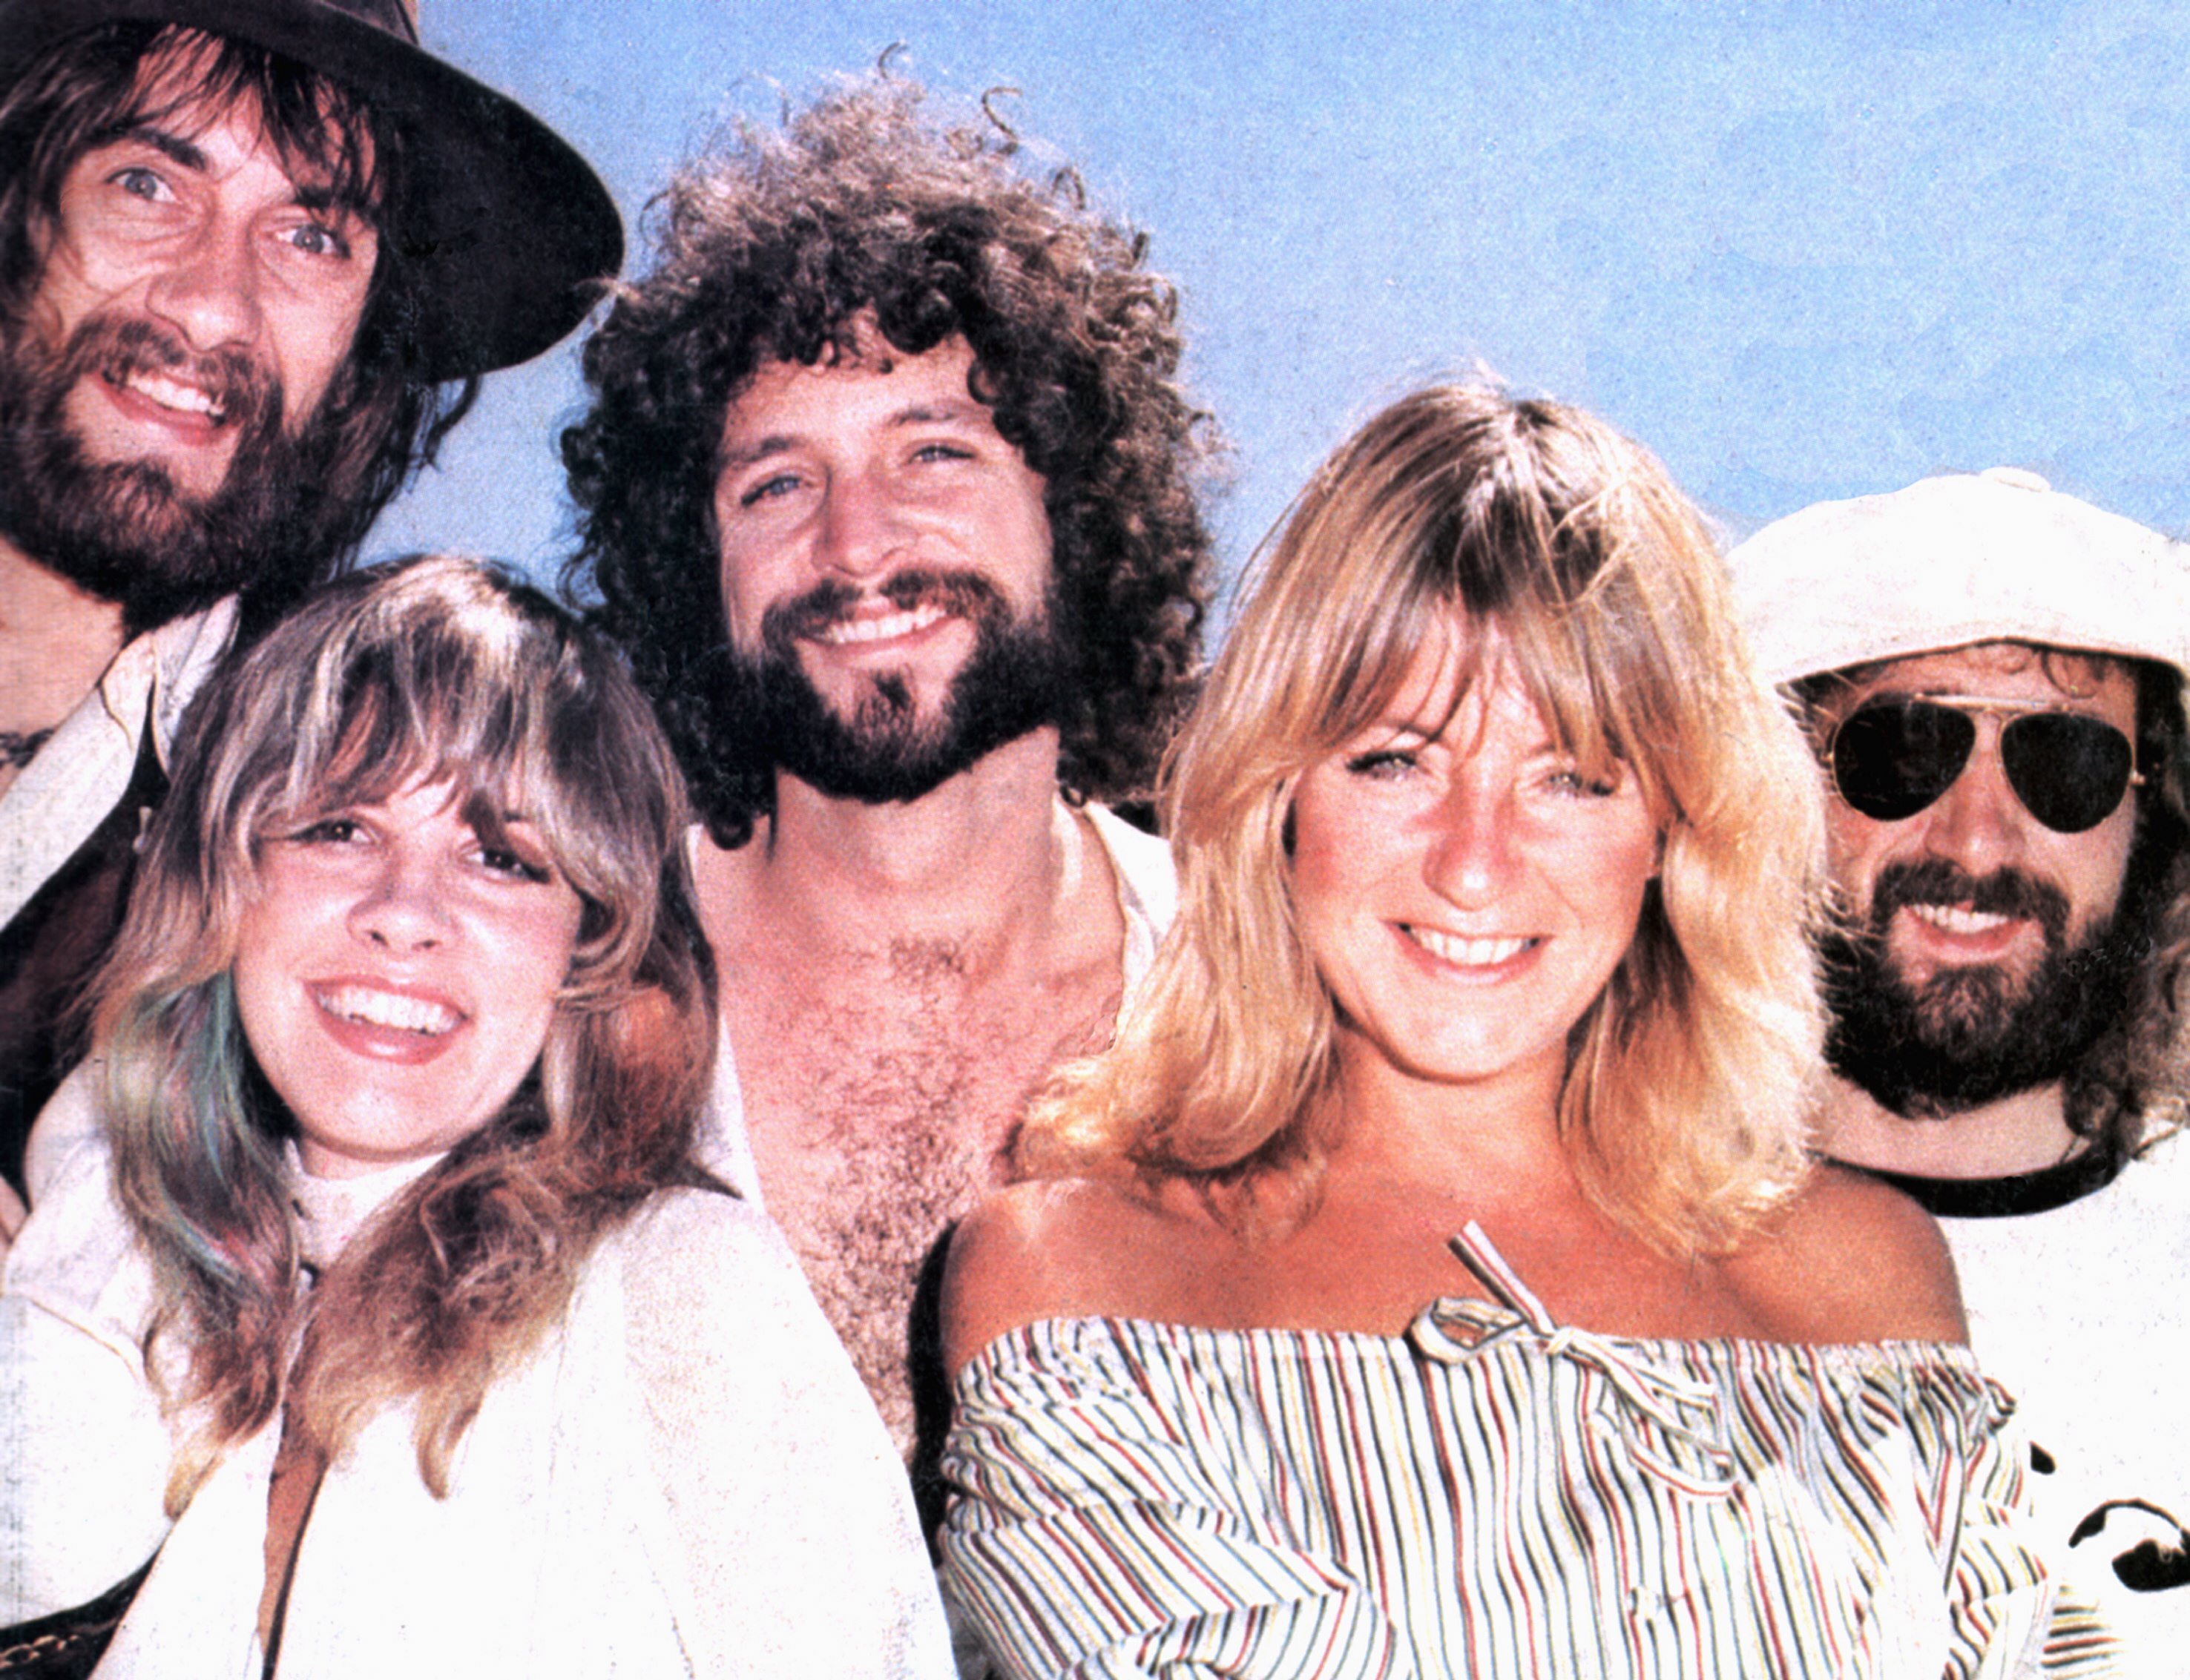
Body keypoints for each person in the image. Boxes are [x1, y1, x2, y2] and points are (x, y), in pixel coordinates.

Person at [938, 386, 2070, 1677]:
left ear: (1672, 831)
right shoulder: (1078, 1280)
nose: (1474, 867)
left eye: (1570, 779)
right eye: (1397, 760)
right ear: (1277, 792)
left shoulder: (1865, 1277)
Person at [0, 556, 954, 1675]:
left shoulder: (679, 1288)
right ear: (231, 879)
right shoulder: (136, 1274)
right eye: (337, 829)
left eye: (500, 856)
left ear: (587, 945)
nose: (405, 914)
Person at [562, 77, 1211, 1474]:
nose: (858, 545)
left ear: (1076, 507)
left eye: (933, 450)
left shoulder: (1252, 987)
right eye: (776, 484)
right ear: (698, 567)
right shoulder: (557, 987)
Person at [0, 0, 623, 1216]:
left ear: (364, 344)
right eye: (147, 185)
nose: (213, 305)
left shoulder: (342, 836)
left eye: (311, 238)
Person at [1729, 467, 2190, 1674]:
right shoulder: (1595, 1255)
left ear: (2152, 818)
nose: (1977, 839)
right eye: (1902, 750)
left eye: (2069, 765)